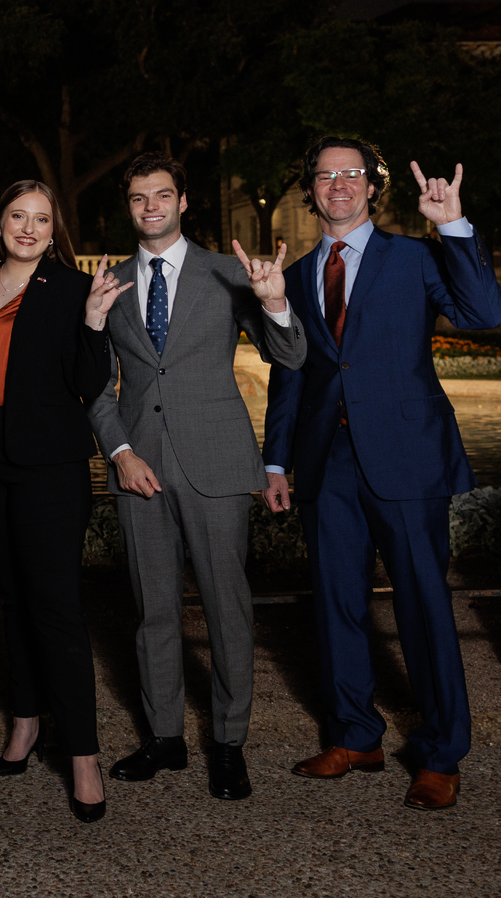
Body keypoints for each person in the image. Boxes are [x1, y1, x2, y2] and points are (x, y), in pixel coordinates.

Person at [263, 140, 501, 810]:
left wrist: (452, 225)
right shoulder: (303, 272)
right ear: (310, 189)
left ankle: (442, 751)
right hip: (324, 464)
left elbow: (485, 314)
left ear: (372, 186)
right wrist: (276, 459)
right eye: (325, 175)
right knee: (336, 603)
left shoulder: (417, 255)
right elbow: (293, 373)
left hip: (406, 457)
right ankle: (355, 734)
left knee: (425, 603)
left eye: (352, 174)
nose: (339, 184)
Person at [89, 153, 306, 801]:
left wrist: (275, 302)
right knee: (153, 611)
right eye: (137, 198)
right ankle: (164, 738)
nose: (150, 206)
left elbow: (290, 355)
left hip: (215, 460)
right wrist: (120, 451)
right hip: (140, 466)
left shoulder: (226, 272)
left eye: (162, 195)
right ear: (127, 207)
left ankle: (229, 743)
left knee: (227, 609)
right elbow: (95, 384)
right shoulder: (111, 283)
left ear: (184, 201)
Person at [0, 180, 131, 822]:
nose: (28, 227)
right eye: (17, 216)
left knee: (54, 606)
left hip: (47, 468)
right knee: (12, 598)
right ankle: (25, 721)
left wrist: (93, 323)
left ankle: (82, 753)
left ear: (56, 230)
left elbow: (89, 383)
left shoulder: (75, 290)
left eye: (42, 218)